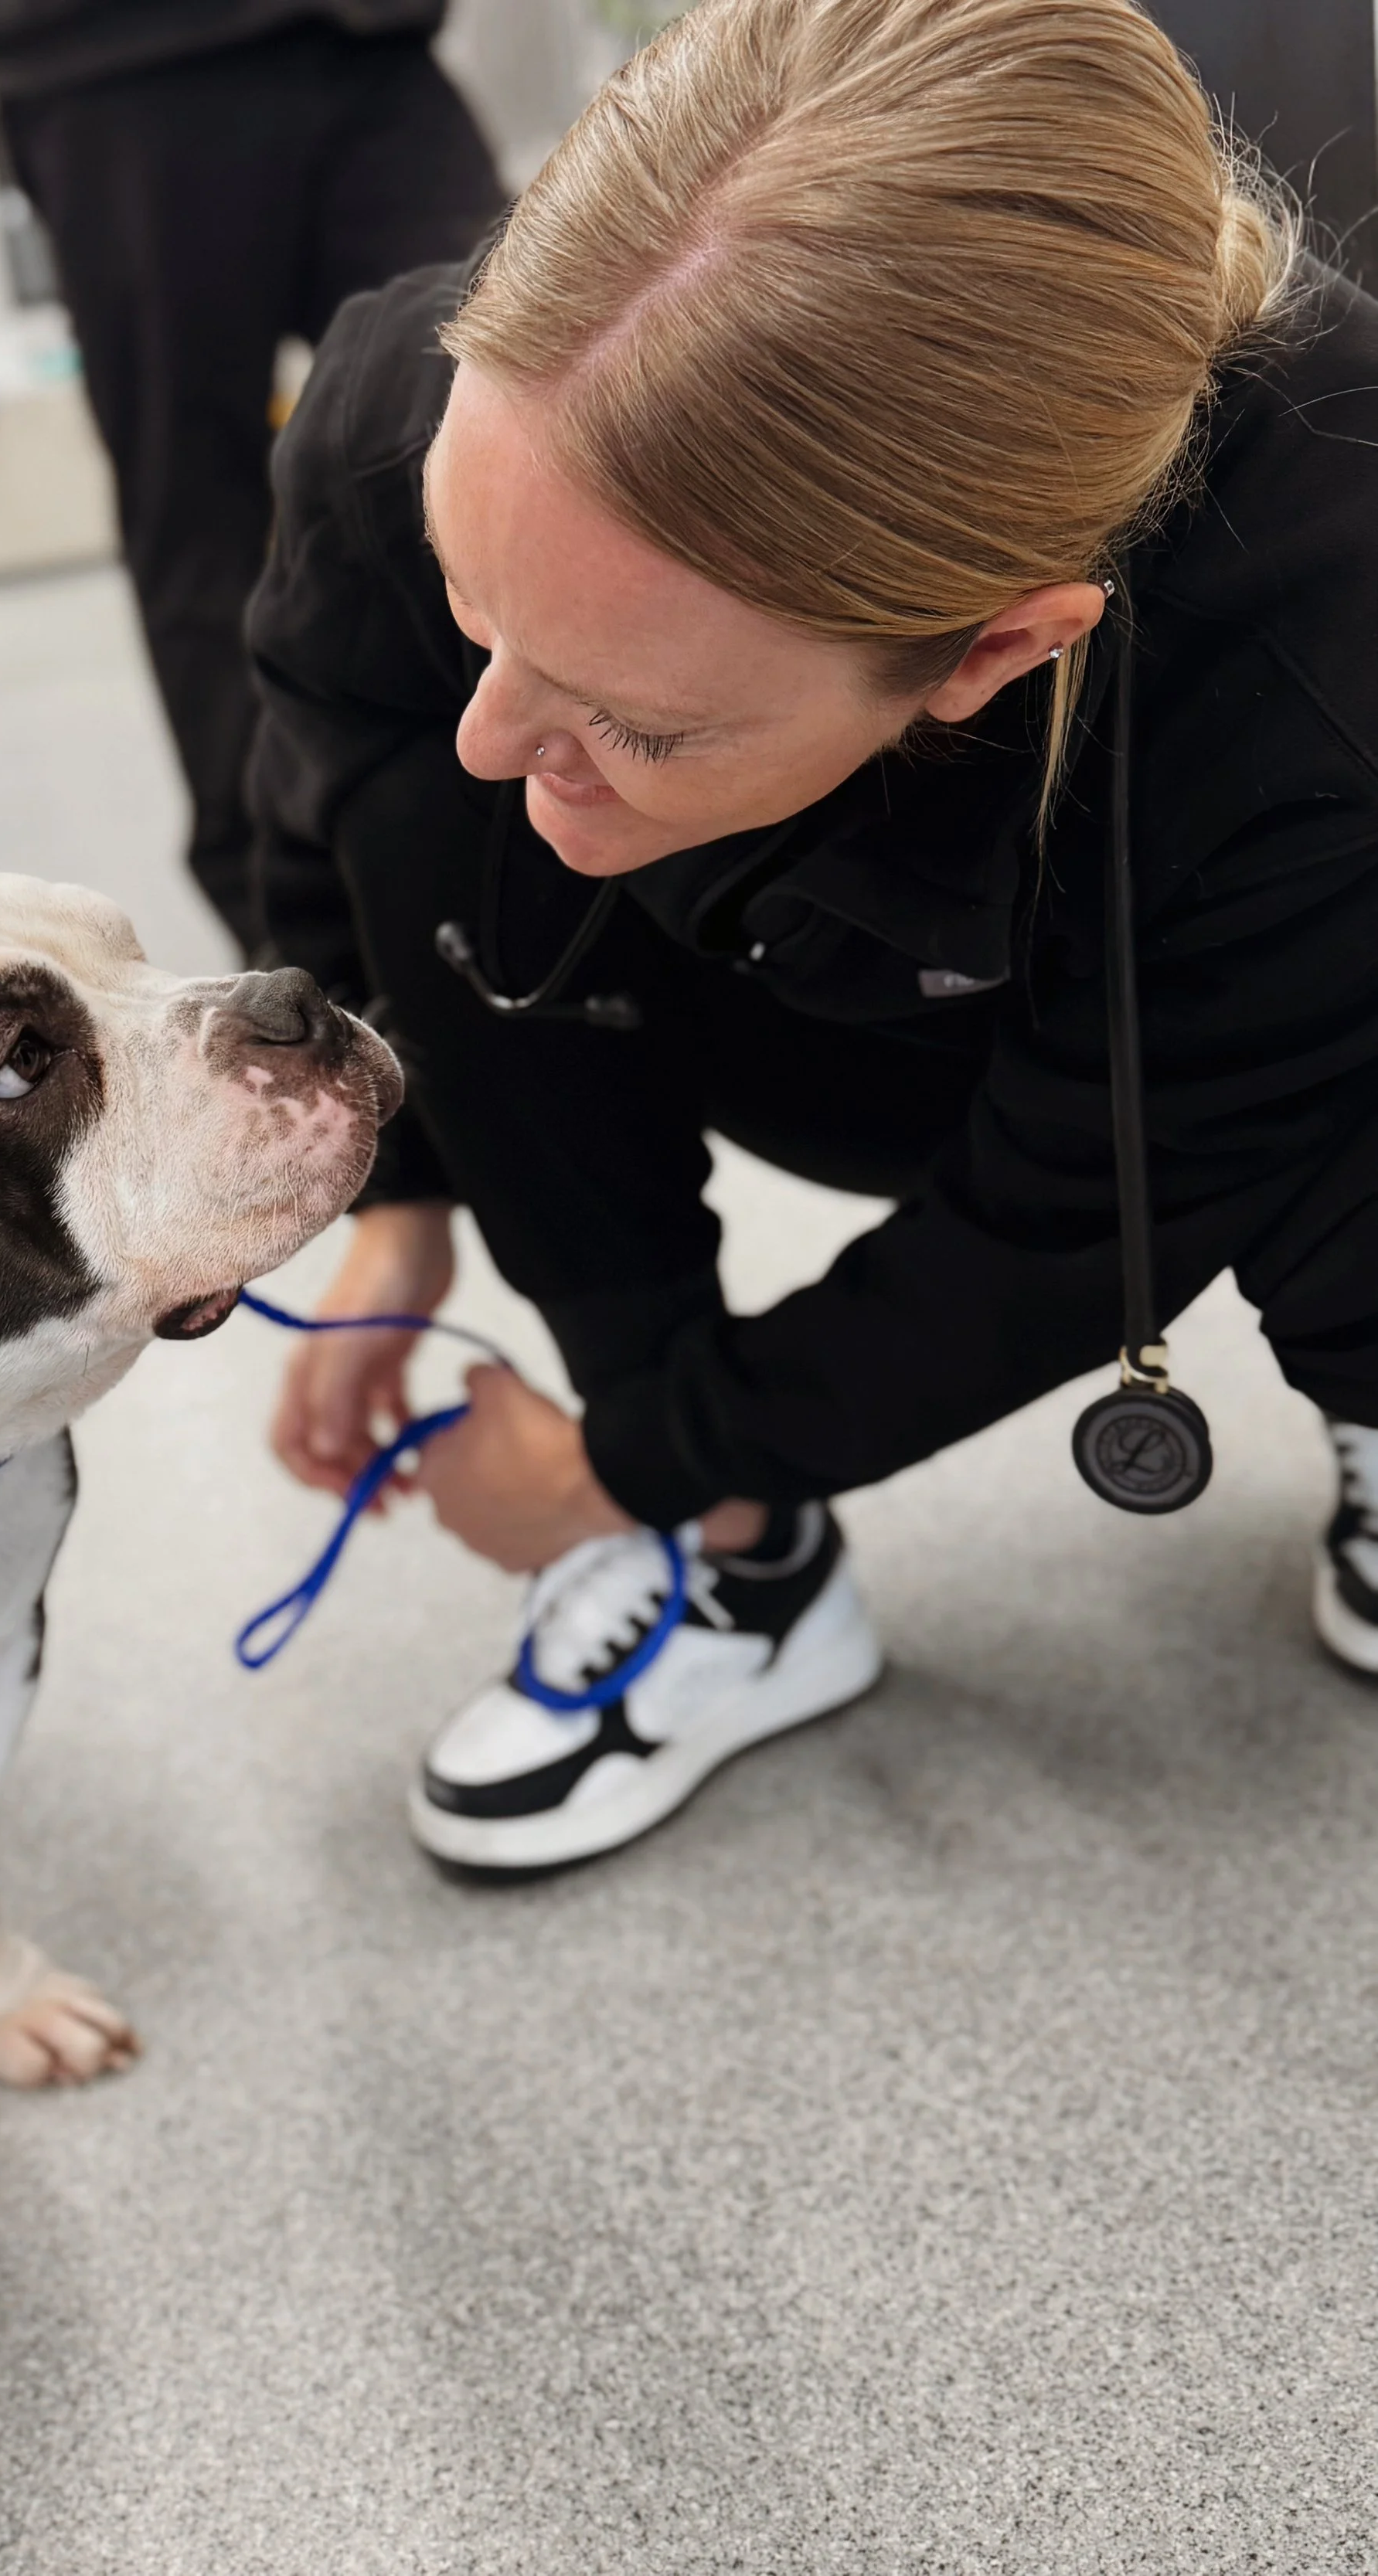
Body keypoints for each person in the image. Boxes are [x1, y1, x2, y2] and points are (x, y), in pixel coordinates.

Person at [247, 0, 1378, 1874]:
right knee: (464, 824)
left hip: (1185, 1029)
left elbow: (1064, 1220)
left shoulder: (1321, 643)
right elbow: (352, 783)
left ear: (1000, 644)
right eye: (474, 598)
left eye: (643, 716)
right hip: (749, 966)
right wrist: (402, 1177)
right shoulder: (397, 404)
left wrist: (617, 1469)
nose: (493, 723)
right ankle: (741, 1571)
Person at [0, 0, 504, 955]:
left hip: (370, 41)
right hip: (117, 63)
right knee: (196, 521)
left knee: (520, 385)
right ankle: (294, 926)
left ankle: (553, 830)